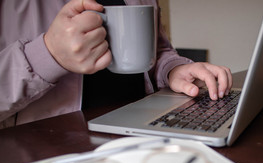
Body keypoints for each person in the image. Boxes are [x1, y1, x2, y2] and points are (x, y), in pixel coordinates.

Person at [0, 0, 232, 129]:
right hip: (47, 154)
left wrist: (173, 69)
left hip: (144, 134)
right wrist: (48, 54)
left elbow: (158, 51)